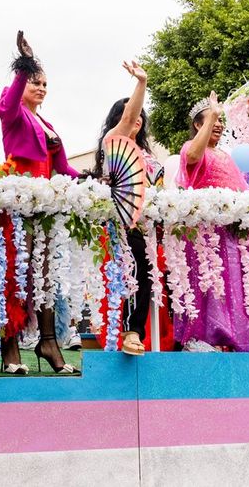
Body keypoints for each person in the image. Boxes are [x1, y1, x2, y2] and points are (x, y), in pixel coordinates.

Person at [176, 92, 249, 352]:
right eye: (212, 120)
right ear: (198, 124)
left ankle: (235, 337)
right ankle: (209, 339)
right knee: (211, 285)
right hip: (206, 235)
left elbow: (241, 190)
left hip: (231, 231)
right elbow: (193, 157)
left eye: (221, 121)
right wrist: (212, 116)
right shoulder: (191, 147)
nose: (218, 124)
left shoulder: (224, 155)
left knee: (237, 285)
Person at [0, 31, 79, 374]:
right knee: (16, 275)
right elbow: (8, 103)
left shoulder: (48, 124)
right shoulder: (12, 110)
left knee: (44, 277)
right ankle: (10, 346)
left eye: (45, 83)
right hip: (17, 203)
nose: (41, 87)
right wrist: (25, 65)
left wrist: (92, 178)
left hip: (44, 207)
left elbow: (63, 169)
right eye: (35, 82)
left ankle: (48, 342)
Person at [94, 60, 155, 355]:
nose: (136, 118)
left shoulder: (148, 156)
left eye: (141, 114)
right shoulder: (111, 143)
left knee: (145, 274)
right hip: (120, 222)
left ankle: (140, 333)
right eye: (130, 113)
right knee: (130, 272)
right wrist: (141, 83)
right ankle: (130, 333)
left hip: (146, 224)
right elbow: (129, 117)